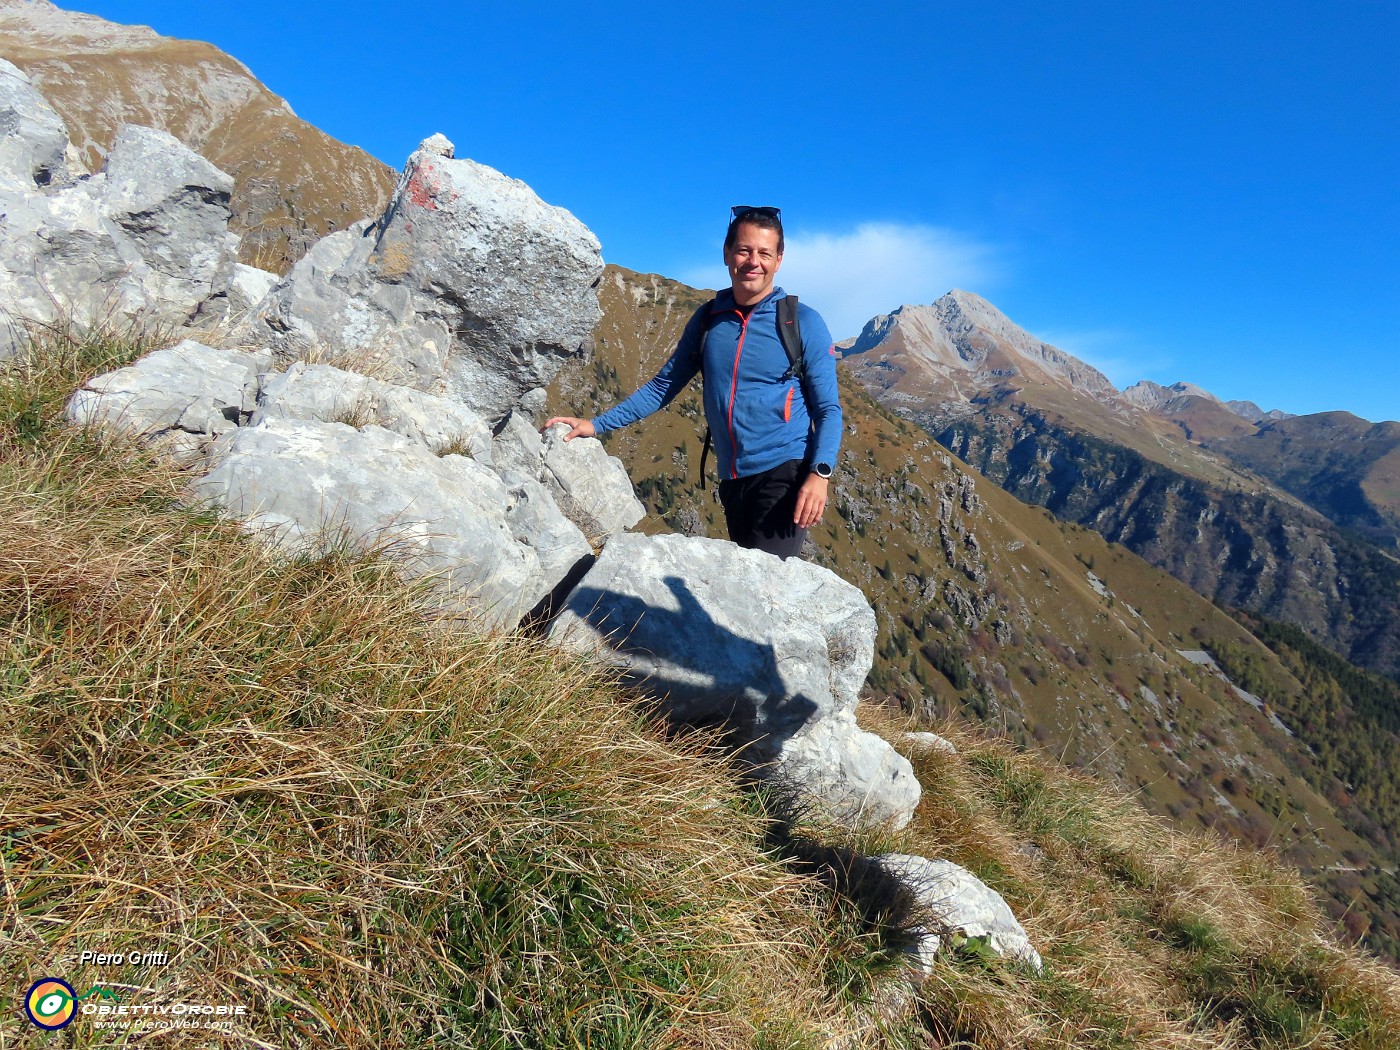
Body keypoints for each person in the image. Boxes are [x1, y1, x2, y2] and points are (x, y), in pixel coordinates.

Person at [545, 205, 842, 560]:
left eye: (765, 253)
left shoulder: (801, 322)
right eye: (745, 250)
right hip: (733, 480)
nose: (753, 261)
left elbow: (828, 409)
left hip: (785, 472)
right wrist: (595, 424)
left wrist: (819, 473)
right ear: (727, 254)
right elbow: (662, 386)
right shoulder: (708, 320)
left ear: (779, 260)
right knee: (745, 585)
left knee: (765, 590)